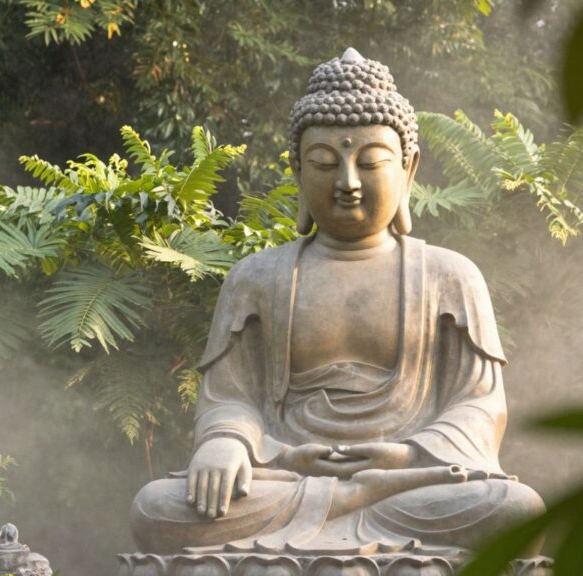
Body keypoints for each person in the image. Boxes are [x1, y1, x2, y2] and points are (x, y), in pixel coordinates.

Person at [129, 48, 544, 556]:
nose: (347, 183)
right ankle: (344, 511)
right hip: (286, 476)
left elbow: (479, 405)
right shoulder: (256, 277)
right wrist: (226, 442)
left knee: (513, 507)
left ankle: (350, 509)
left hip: (407, 482)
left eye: (370, 162)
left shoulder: (449, 276)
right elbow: (229, 399)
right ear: (298, 171)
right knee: (156, 507)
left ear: (409, 170)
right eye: (325, 163)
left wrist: (402, 455)